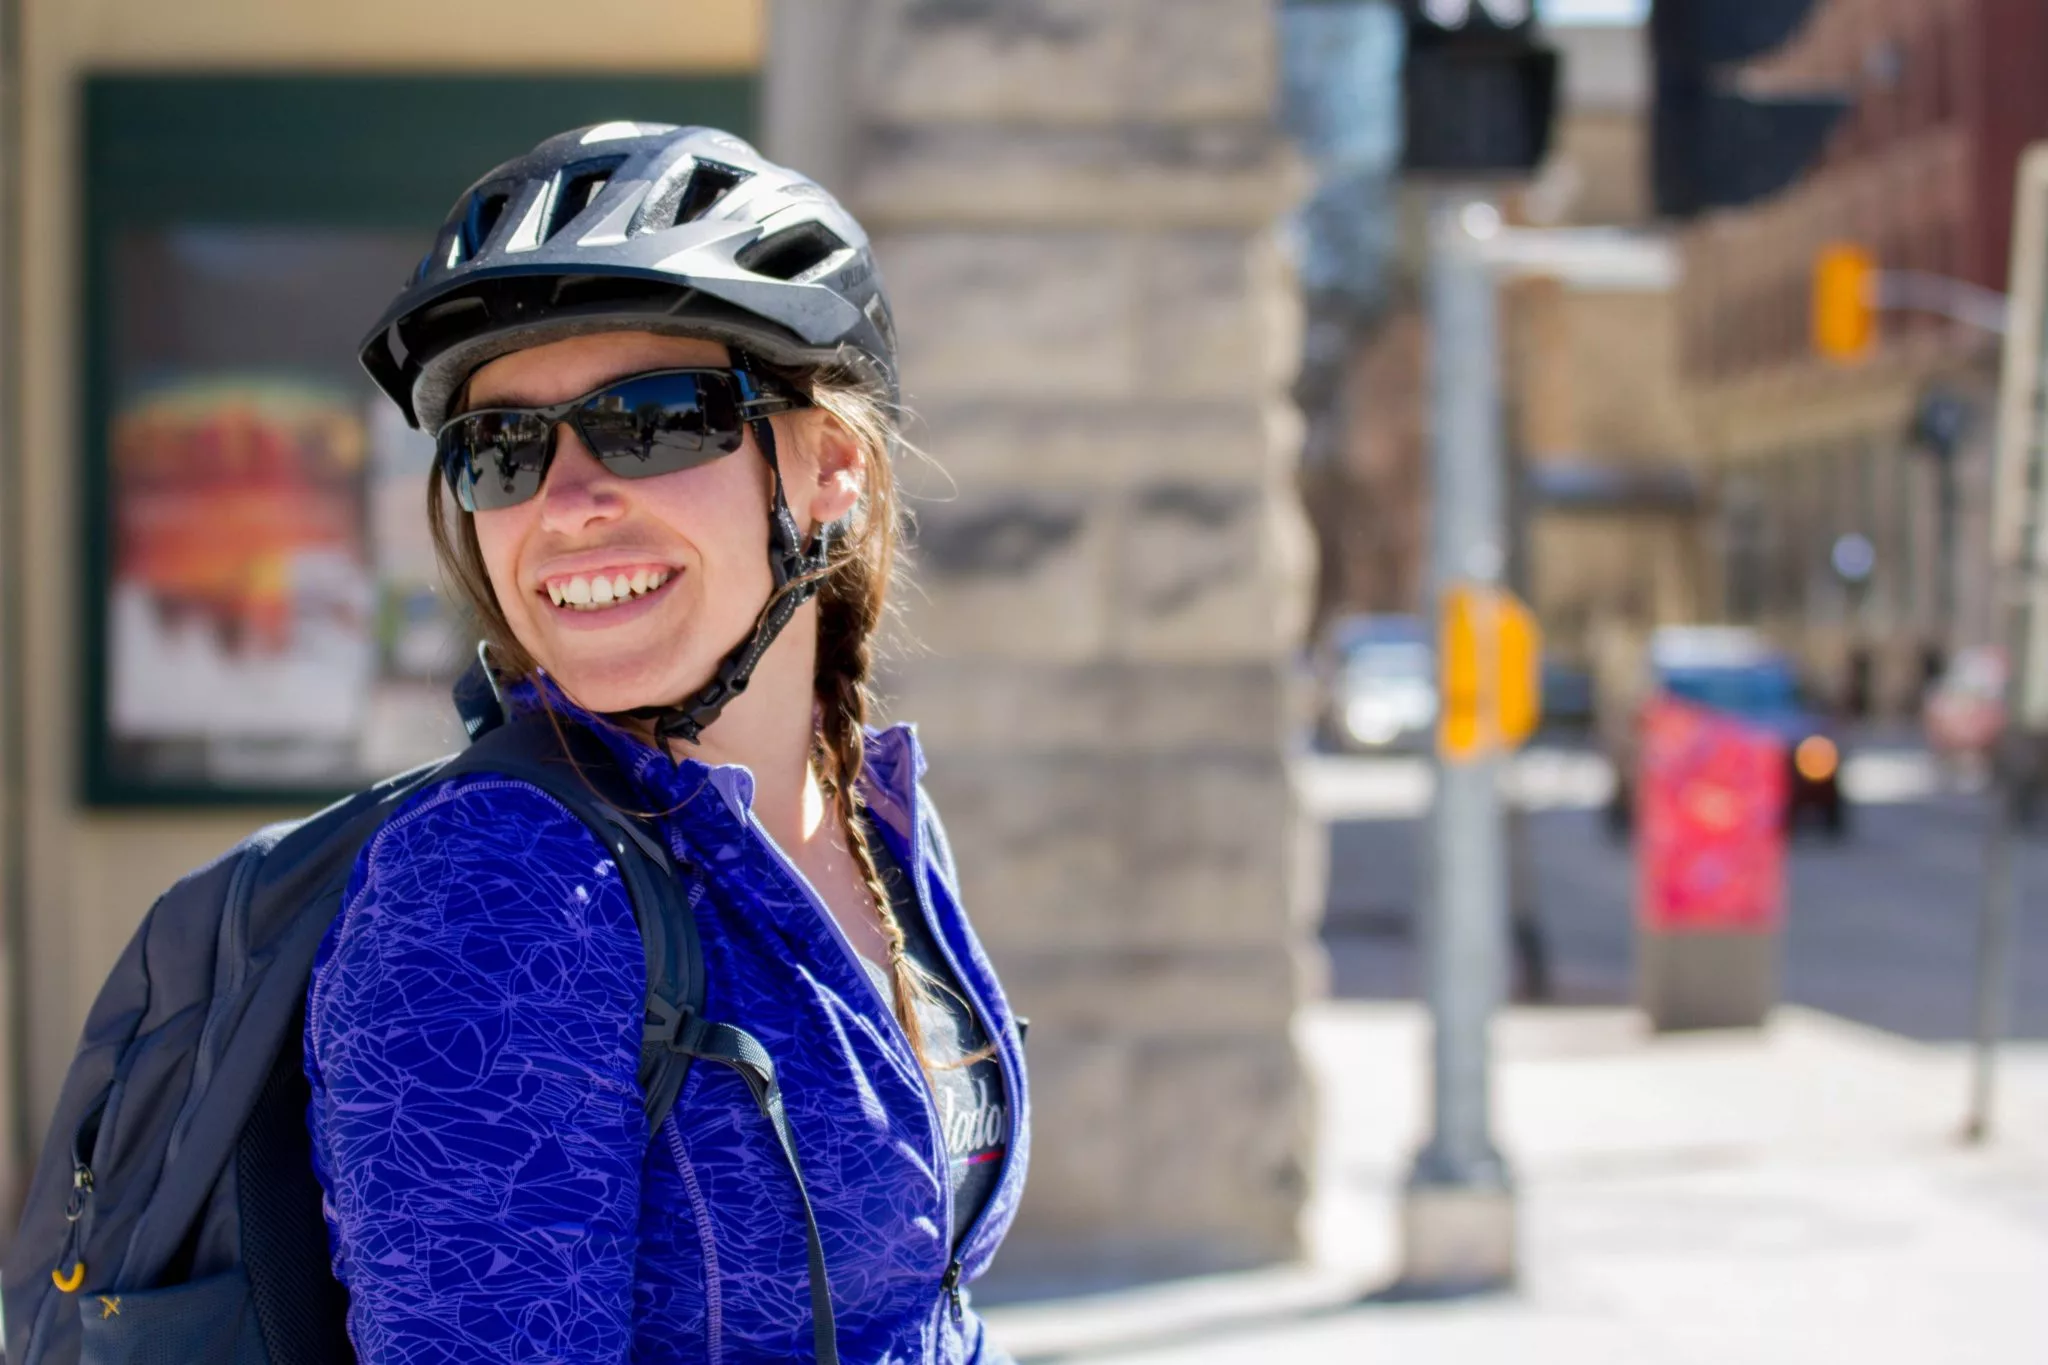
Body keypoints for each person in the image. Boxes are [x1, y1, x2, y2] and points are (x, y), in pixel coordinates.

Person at [307, 123, 1028, 1363]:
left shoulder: (872, 816)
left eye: (651, 421)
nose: (568, 502)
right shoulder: (495, 891)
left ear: (829, 467)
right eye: (502, 450)